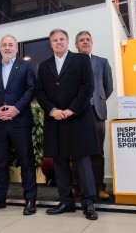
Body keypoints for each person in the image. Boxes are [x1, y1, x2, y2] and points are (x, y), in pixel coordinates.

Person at [35, 29, 99, 220]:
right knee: (59, 161)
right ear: (50, 44)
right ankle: (66, 201)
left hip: (78, 118)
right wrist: (52, 110)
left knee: (82, 161)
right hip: (55, 119)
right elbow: (40, 92)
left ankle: (88, 203)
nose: (58, 42)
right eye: (54, 40)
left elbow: (88, 87)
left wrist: (71, 109)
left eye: (62, 39)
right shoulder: (44, 65)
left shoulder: (81, 60)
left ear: (68, 41)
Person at [0, 34, 37, 216]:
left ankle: (30, 200)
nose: (7, 47)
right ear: (0, 48)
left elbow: (30, 90)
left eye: (10, 45)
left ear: (16, 48)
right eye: (4, 45)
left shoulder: (25, 67)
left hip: (19, 122)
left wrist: (16, 109)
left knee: (26, 162)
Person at [74, 30, 114, 200]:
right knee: (76, 151)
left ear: (92, 43)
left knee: (97, 152)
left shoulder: (102, 62)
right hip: (76, 113)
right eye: (81, 40)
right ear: (76, 45)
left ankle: (99, 187)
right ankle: (77, 187)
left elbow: (108, 87)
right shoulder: (71, 63)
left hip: (96, 112)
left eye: (88, 40)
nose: (85, 42)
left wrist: (97, 100)